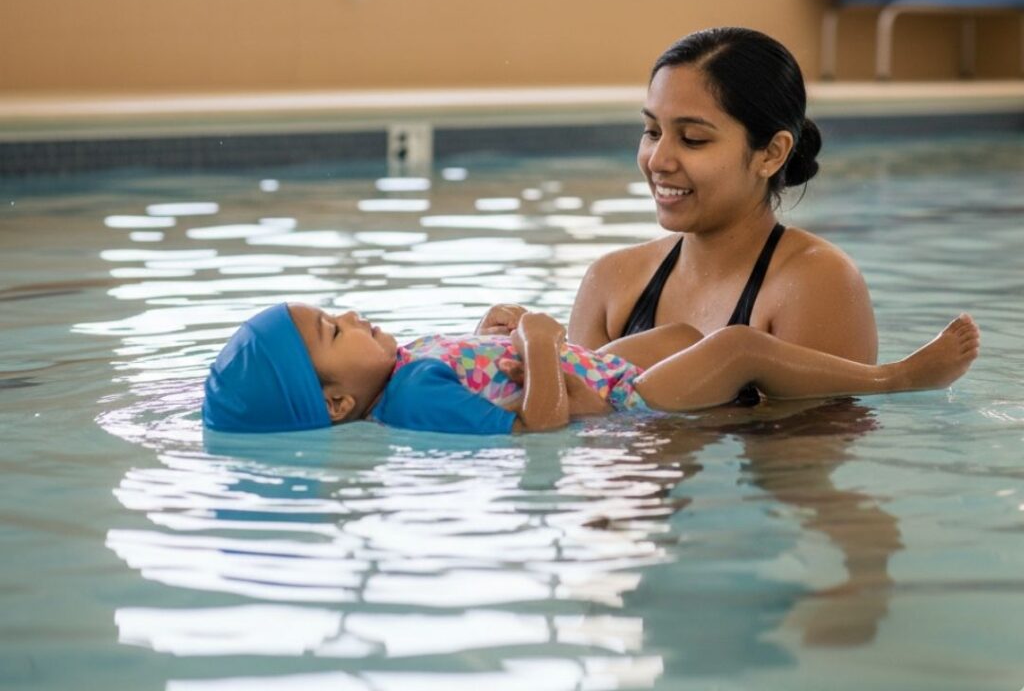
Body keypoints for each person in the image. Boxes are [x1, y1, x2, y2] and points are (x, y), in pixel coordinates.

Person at [568, 26, 907, 402]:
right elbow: (575, 430)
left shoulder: (814, 282)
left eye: (693, 139)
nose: (658, 160)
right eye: (651, 131)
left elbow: (807, 452)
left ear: (771, 154)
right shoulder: (612, 282)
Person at [201, 299, 979, 435]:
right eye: (337, 330)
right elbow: (538, 427)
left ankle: (771, 394)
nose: (358, 317)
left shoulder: (405, 368)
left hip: (588, 367)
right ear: (337, 404)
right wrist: (536, 346)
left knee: (679, 329)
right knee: (736, 344)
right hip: (617, 404)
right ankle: (894, 379)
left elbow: (481, 375)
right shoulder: (409, 406)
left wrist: (490, 336)